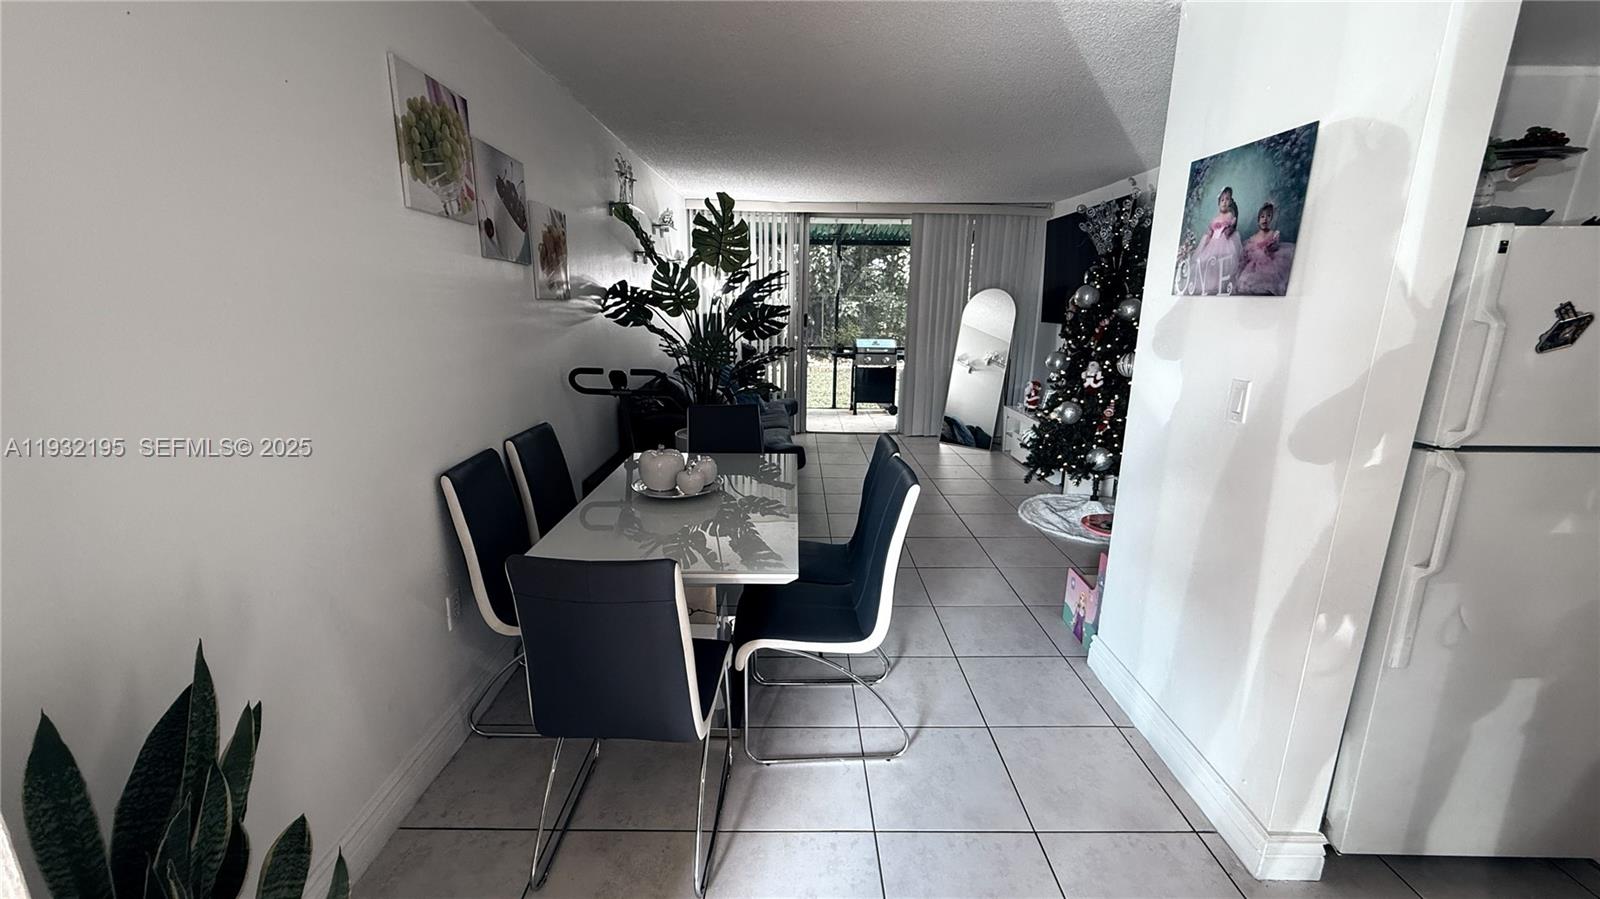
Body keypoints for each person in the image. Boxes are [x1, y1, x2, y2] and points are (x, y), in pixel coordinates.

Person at [1235, 202, 1297, 295]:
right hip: (1254, 265)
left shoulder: (1273, 234)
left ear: (1271, 219)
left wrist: (1271, 246)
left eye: (1268, 216)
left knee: (1270, 279)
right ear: (1258, 219)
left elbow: (1275, 247)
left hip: (1270, 261)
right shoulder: (1253, 238)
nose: (1265, 219)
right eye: (1262, 216)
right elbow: (1246, 254)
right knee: (1246, 280)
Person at [1191, 186, 1243, 294]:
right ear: (1219, 203)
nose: (1224, 202)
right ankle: (1211, 283)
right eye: (1222, 200)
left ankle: (1223, 283)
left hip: (1225, 240)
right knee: (1207, 260)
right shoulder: (1215, 217)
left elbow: (1232, 225)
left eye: (1227, 199)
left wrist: (1230, 228)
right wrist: (1207, 237)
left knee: (1223, 259)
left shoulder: (1230, 214)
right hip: (1213, 242)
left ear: (1231, 201)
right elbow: (1211, 230)